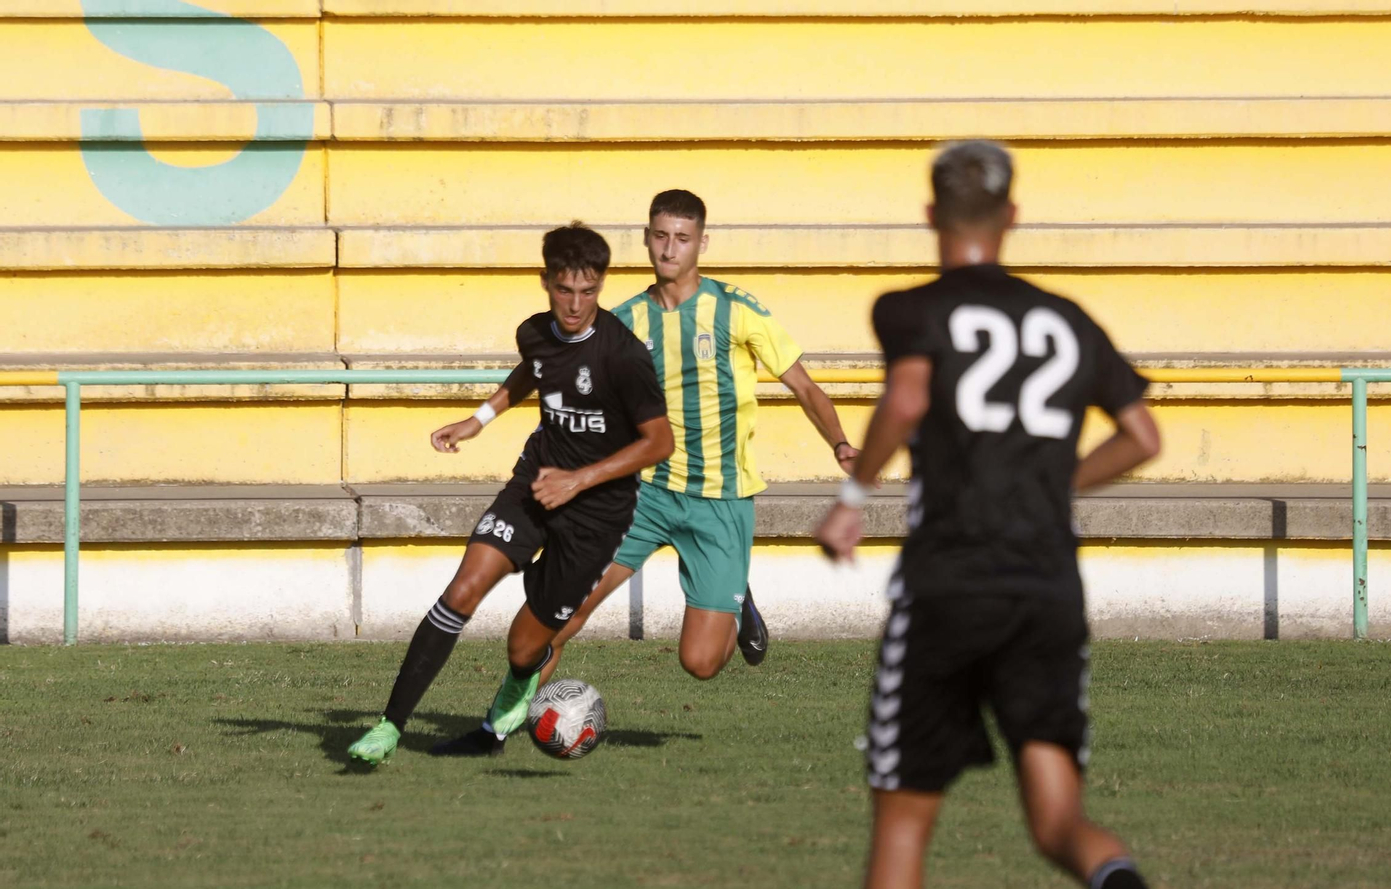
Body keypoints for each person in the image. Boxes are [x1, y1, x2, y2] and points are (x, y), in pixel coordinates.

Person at [814, 141, 1162, 889]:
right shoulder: (1068, 319)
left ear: (931, 214)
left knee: (904, 822)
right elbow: (1142, 437)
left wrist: (852, 499)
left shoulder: (909, 308)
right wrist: (1055, 484)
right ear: (1012, 216)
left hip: (950, 583)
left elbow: (908, 397)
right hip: (1046, 588)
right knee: (1058, 823)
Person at [347, 223, 672, 764]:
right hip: (533, 485)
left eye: (588, 291)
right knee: (463, 590)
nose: (576, 304)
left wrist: (579, 480)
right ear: (545, 281)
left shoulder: (623, 356)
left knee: (524, 648)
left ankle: (501, 716)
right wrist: (479, 418)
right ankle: (389, 727)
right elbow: (534, 370)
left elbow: (659, 442)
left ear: (601, 284)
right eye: (564, 290)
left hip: (596, 515)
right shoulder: (534, 332)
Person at [540, 189, 859, 683]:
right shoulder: (622, 321)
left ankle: (736, 601)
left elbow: (804, 386)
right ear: (646, 239)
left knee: (701, 662)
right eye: (661, 236)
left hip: (719, 499)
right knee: (564, 611)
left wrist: (839, 443)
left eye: (682, 238)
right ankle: (505, 718)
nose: (670, 249)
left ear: (701, 243)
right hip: (643, 493)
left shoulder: (735, 310)